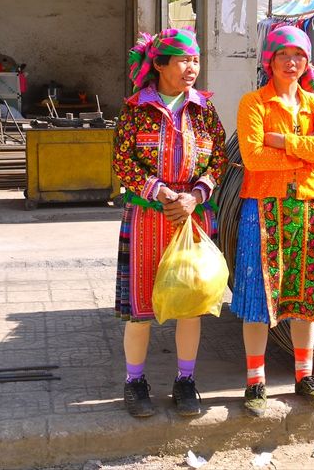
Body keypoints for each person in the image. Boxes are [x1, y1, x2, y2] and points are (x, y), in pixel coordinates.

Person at [112, 27, 227, 418]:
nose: (191, 67)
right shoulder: (135, 109)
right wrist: (163, 194)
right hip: (148, 216)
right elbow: (123, 161)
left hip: (192, 218)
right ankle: (135, 382)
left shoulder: (204, 109)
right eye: (182, 60)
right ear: (159, 64)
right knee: (140, 308)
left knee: (190, 305)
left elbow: (219, 160)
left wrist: (195, 197)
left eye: (195, 60)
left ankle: (186, 381)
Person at [231, 25, 314, 417]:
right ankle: (255, 381)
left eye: (299, 56)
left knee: (306, 296)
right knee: (259, 297)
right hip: (263, 208)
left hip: (310, 206)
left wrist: (284, 142)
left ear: (307, 63)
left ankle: (304, 375)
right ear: (269, 61)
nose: (292, 62)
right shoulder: (253, 103)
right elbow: (254, 158)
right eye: (283, 55)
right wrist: (304, 154)